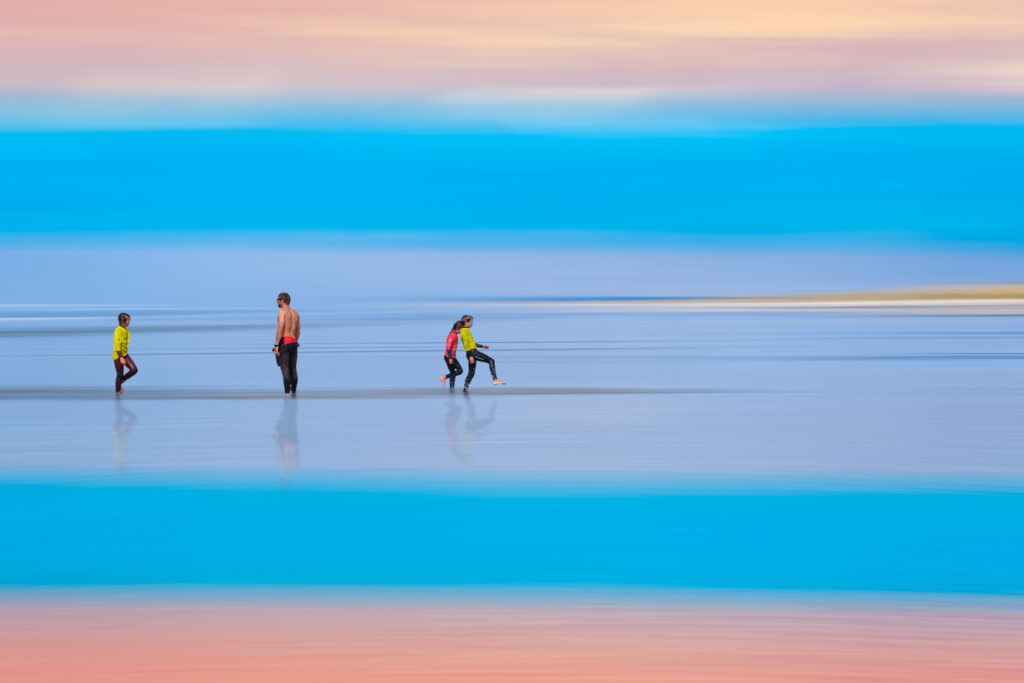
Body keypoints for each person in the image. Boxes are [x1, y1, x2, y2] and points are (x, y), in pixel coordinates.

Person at [459, 314, 505, 392]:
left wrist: (482, 346)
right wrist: (470, 356)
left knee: (471, 372)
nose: (472, 323)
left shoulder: (465, 331)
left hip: (472, 352)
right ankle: (495, 379)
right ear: (466, 322)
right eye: (470, 321)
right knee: (491, 361)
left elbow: (472, 343)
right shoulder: (465, 332)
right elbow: (466, 345)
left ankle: (465, 388)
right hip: (472, 353)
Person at [273, 292, 301, 396]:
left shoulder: (282, 312)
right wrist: (294, 341)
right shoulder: (295, 313)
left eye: (277, 299)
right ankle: (294, 392)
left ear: (282, 300)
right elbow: (298, 331)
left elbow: (281, 328)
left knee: (285, 368)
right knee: (293, 369)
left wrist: (276, 345)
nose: (276, 301)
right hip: (294, 342)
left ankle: (286, 393)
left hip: (284, 342)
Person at [112, 312, 138, 394]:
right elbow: (117, 345)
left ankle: (119, 383)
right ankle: (117, 392)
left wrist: (124, 356)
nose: (129, 322)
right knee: (119, 375)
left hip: (125, 354)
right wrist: (121, 357)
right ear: (124, 321)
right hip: (118, 355)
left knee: (134, 369)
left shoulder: (126, 330)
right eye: (128, 320)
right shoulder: (117, 331)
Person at [441, 320, 465, 391]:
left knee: (453, 373)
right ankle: (444, 377)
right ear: (458, 328)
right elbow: (448, 348)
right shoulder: (452, 336)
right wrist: (450, 358)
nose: (462, 331)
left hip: (450, 356)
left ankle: (452, 389)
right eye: (462, 329)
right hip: (449, 357)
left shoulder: (455, 335)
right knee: (460, 371)